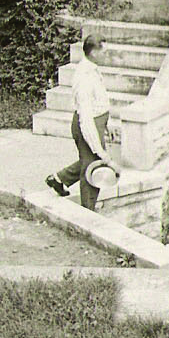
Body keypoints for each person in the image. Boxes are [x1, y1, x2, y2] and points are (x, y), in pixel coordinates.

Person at [47, 32, 113, 207]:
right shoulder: (84, 77)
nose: (107, 55)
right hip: (88, 124)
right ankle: (87, 212)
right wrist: (101, 151)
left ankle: (59, 179)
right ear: (93, 52)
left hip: (97, 121)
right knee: (93, 168)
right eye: (104, 51)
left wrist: (108, 123)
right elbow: (86, 120)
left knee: (89, 160)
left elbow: (101, 99)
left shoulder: (93, 70)